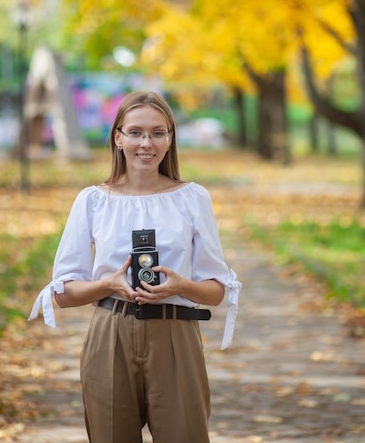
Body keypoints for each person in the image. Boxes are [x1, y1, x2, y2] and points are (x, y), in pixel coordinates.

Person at [29, 90, 241, 443]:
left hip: (176, 334)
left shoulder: (192, 198)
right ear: (118, 137)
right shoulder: (93, 201)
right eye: (136, 132)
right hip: (110, 333)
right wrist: (108, 285)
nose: (147, 143)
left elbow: (217, 290)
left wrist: (181, 286)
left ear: (170, 138)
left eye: (158, 133)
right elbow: (64, 292)